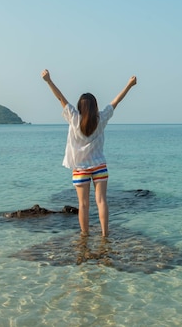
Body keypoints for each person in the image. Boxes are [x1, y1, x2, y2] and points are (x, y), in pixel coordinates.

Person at [41, 69, 137, 237]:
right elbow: (116, 102)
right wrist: (129, 85)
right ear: (95, 106)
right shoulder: (101, 118)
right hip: (99, 165)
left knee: (83, 204)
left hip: (80, 168)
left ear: (79, 106)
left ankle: (85, 236)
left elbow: (60, 98)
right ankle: (105, 235)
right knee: (101, 201)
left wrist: (48, 81)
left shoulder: (74, 117)